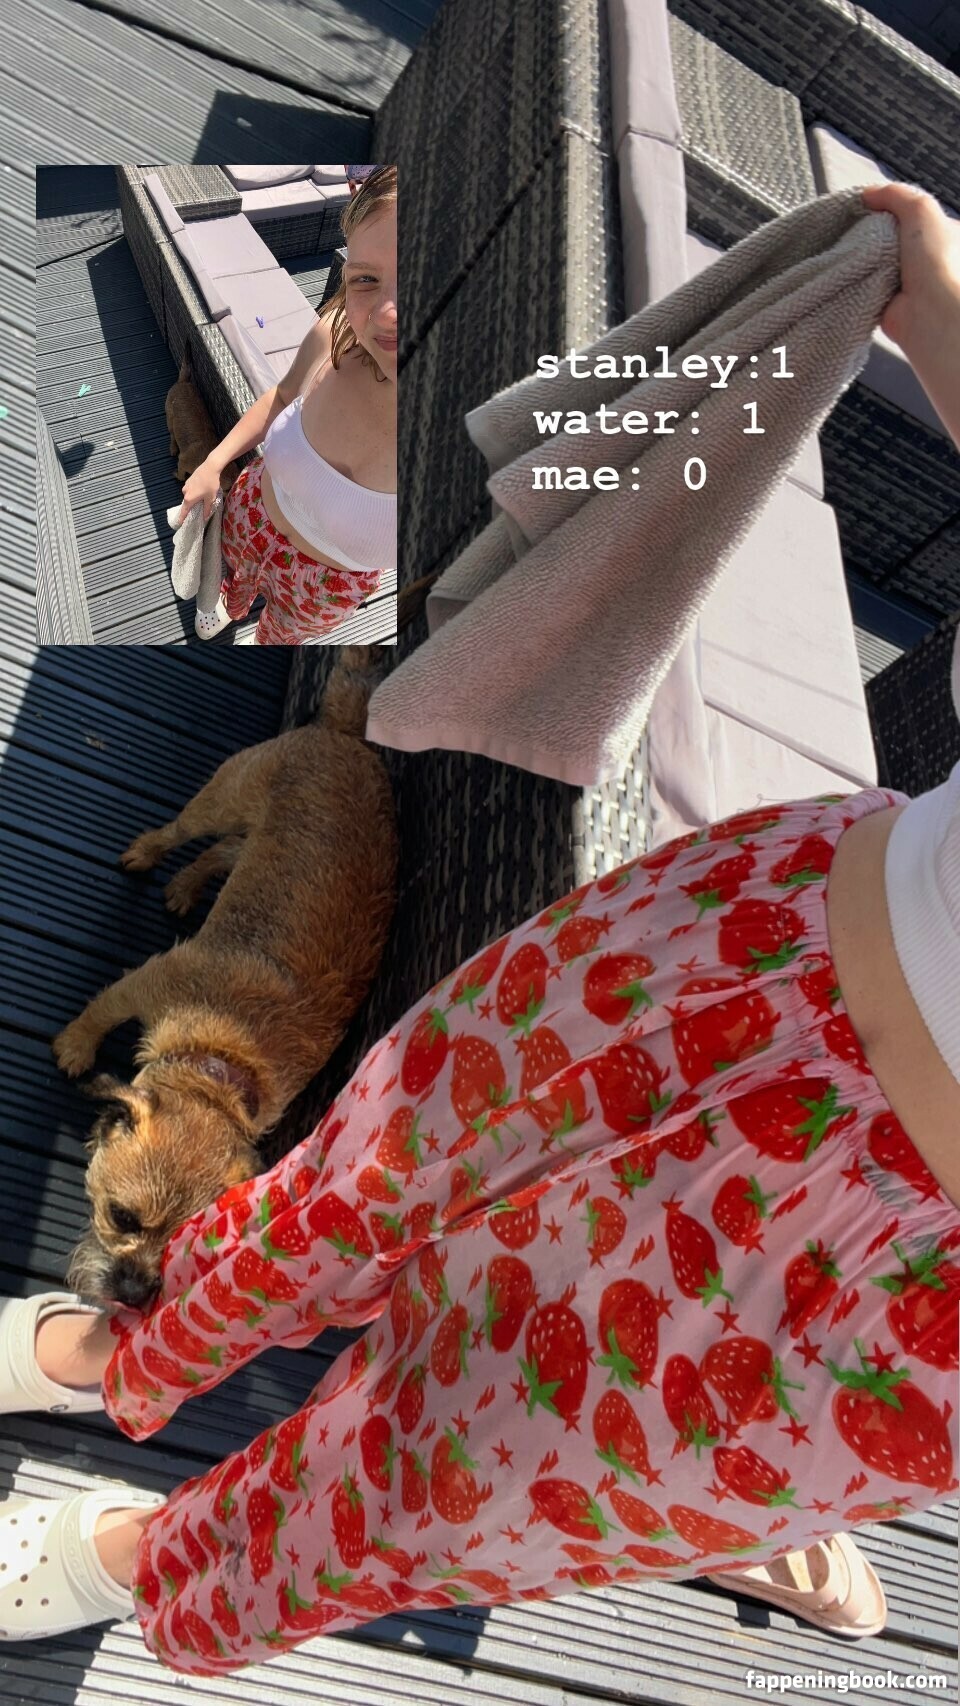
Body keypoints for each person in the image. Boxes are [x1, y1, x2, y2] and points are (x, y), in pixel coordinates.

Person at [1, 182, 957, 1670]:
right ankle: (114, 1352)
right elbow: (897, 253)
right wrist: (899, 260)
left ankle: (138, 1556)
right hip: (760, 931)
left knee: (440, 1481)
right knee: (344, 1187)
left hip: (900, 1274)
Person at [181, 165, 397, 645]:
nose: (387, 314)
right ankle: (229, 605)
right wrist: (214, 463)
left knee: (276, 638)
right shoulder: (336, 331)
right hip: (253, 515)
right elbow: (281, 396)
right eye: (366, 278)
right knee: (232, 582)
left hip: (323, 589)